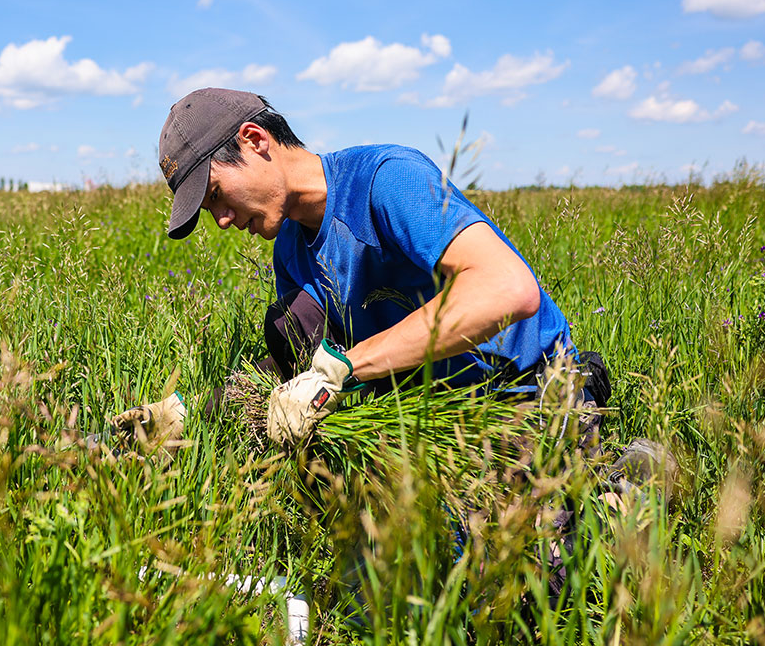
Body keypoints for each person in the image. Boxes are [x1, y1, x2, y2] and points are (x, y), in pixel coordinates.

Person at [110, 87, 609, 450]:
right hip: (428, 412)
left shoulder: (386, 180)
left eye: (216, 195)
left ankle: (622, 480)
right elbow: (302, 371)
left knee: (517, 576)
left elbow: (508, 288)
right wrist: (188, 412)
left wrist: (346, 368)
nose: (220, 221)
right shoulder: (290, 248)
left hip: (522, 389)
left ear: (255, 139)